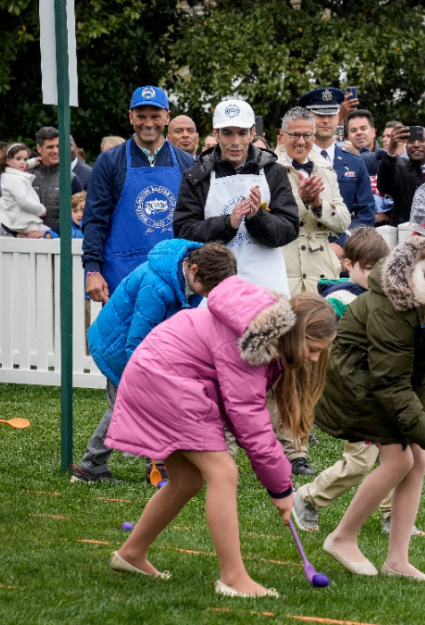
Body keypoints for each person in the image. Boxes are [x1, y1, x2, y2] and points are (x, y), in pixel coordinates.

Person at [104, 279, 336, 598]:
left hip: (163, 377)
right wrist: (281, 488)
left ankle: (130, 554)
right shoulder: (253, 343)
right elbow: (250, 420)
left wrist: (277, 481)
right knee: (223, 472)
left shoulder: (262, 334)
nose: (312, 359)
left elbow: (242, 412)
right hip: (165, 381)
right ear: (297, 334)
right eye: (312, 350)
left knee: (187, 479)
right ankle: (233, 577)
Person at [315, 237, 425, 581]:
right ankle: (342, 537)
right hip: (355, 381)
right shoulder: (396, 303)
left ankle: (397, 560)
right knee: (400, 459)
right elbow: (390, 383)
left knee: (418, 458)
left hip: (383, 380)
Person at [293, 227, 425, 537]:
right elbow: (333, 352)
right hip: (356, 397)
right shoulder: (339, 300)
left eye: (378, 267)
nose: (372, 274)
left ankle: (393, 516)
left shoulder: (388, 299)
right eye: (366, 268)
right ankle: (306, 498)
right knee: (359, 463)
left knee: (400, 456)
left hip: (386, 392)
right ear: (348, 264)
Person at [72, 240, 238, 484]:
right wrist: (143, 378)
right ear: (193, 270)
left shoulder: (187, 280)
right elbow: (136, 340)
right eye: (209, 288)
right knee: (123, 405)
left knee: (162, 401)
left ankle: (159, 464)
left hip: (146, 346)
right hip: (118, 347)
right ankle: (90, 468)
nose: (209, 294)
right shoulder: (157, 286)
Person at [174, 99, 300, 297]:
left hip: (266, 284)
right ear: (216, 134)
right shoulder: (197, 176)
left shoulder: (273, 172)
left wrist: (257, 218)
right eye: (227, 133)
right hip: (212, 287)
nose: (235, 142)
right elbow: (183, 231)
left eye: (242, 133)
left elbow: (290, 229)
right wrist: (227, 223)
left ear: (252, 134)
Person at [82, 86, 196, 303]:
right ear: (131, 118)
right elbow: (95, 219)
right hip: (122, 274)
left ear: (166, 117)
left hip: (173, 274)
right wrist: (92, 269)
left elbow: (195, 221)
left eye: (155, 116)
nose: (148, 123)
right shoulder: (110, 161)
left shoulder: (186, 163)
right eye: (141, 116)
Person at [275, 106, 351, 296]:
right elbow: (270, 220)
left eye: (308, 135)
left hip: (322, 269)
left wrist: (318, 205)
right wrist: (302, 200)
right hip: (284, 266)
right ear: (282, 135)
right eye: (294, 135)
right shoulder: (269, 169)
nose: (301, 141)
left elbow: (343, 222)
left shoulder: (325, 168)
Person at [300, 88, 376, 261]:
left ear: (338, 118)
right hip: (304, 255)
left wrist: (343, 243)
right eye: (319, 115)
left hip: (343, 258)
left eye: (332, 114)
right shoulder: (293, 161)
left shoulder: (355, 163)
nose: (326, 120)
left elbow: (367, 214)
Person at [376, 124, 425, 226]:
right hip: (406, 235)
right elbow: (384, 187)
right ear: (406, 147)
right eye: (411, 142)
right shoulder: (399, 171)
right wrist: (391, 150)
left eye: (421, 141)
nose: (416, 145)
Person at [0, 142, 52, 238]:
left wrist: (32, 162)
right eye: (18, 158)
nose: (23, 162)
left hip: (20, 221)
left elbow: (20, 167)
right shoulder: (14, 179)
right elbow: (24, 201)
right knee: (52, 236)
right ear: (8, 161)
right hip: (25, 222)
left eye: (25, 159)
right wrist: (41, 210)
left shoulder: (10, 175)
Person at [29, 126, 83, 234]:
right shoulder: (26, 177)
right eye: (50, 147)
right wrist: (18, 233)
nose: (55, 151)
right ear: (39, 148)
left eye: (58, 146)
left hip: (61, 244)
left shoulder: (71, 179)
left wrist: (49, 233)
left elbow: (81, 216)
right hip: (26, 244)